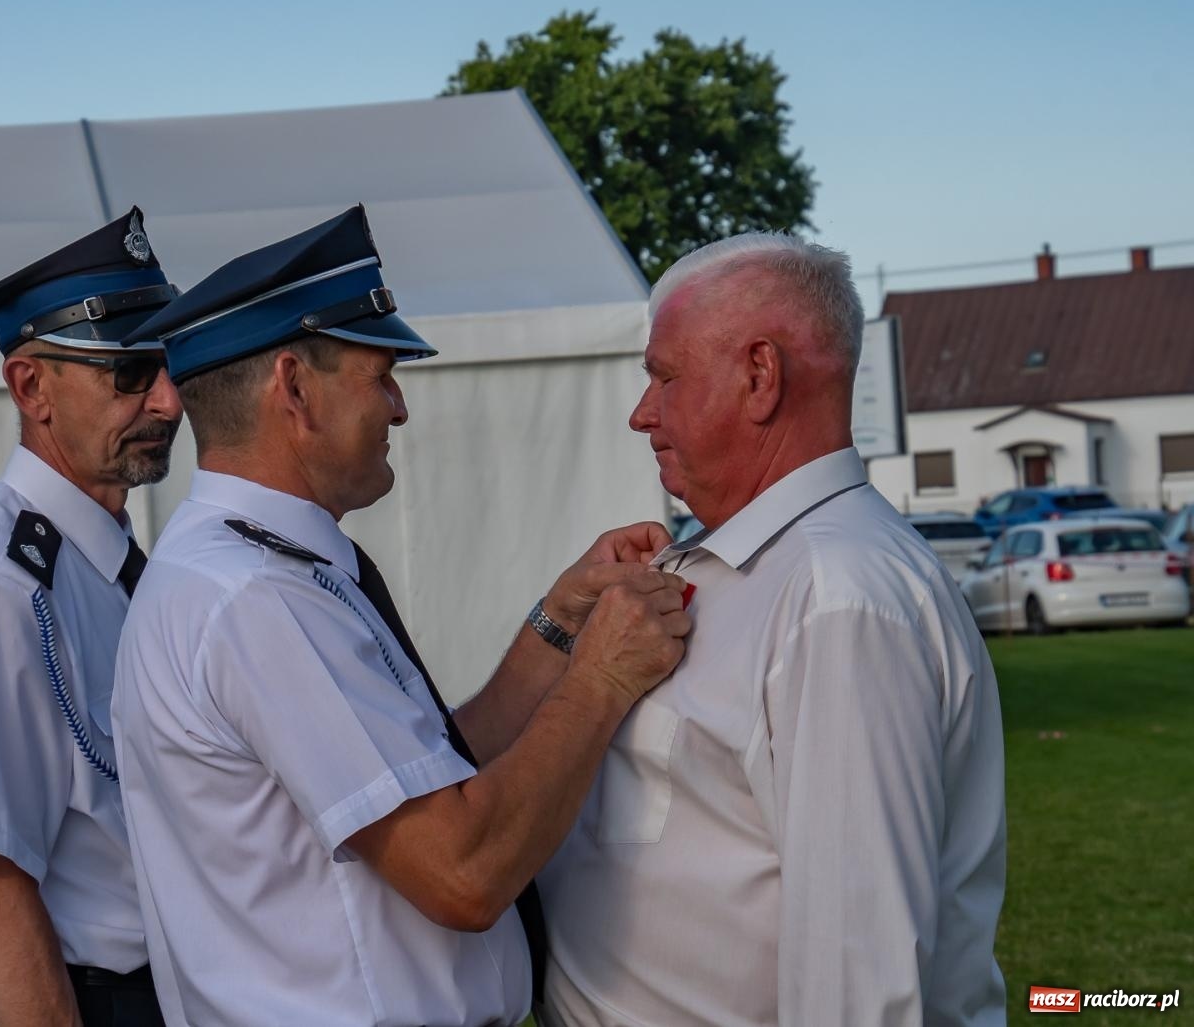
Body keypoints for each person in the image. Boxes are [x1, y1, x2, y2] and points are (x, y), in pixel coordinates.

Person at [113, 206, 694, 1027]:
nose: (398, 408)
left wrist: (561, 622)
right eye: (381, 374)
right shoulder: (258, 597)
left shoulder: (253, 567)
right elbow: (463, 870)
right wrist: (600, 678)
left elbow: (426, 768)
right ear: (294, 387)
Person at [537, 234, 1007, 1026]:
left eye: (664, 376)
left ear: (760, 376)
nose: (641, 413)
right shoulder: (763, 569)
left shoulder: (836, 598)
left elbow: (857, 979)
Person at [0, 207, 183, 1027]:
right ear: (31, 387)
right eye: (129, 372)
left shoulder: (108, 561)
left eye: (171, 365)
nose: (167, 399)